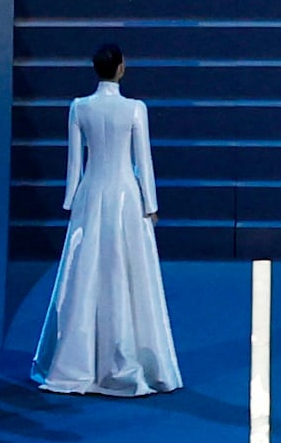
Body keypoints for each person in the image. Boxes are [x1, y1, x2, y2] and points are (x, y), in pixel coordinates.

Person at [28, 39, 181, 394]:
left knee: (86, 276)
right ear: (121, 68)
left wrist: (71, 202)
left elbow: (74, 165)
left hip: (91, 197)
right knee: (128, 274)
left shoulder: (79, 107)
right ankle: (130, 362)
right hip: (127, 198)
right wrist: (151, 204)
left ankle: (77, 362)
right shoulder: (134, 109)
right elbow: (144, 162)